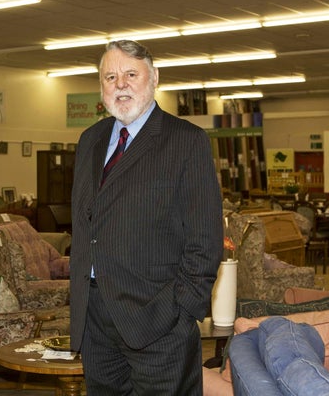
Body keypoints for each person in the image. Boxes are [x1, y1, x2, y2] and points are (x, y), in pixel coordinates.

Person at [69, 39, 224, 395]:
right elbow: (86, 228)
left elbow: (205, 240)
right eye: (110, 76)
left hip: (158, 321)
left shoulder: (186, 141)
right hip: (95, 321)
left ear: (154, 78)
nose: (120, 84)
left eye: (130, 74)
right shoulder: (89, 141)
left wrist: (180, 311)